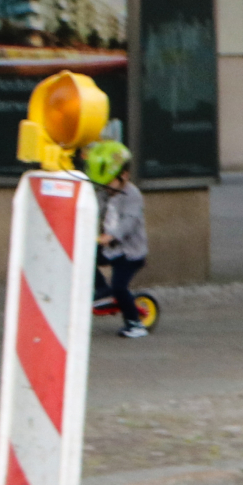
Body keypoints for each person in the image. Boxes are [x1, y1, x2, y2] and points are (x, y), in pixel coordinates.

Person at [85, 140, 149, 338]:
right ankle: (103, 290)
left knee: (120, 287)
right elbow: (95, 208)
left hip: (130, 254)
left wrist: (111, 235)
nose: (106, 188)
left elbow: (129, 221)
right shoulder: (106, 193)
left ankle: (135, 324)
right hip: (111, 248)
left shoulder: (133, 195)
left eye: (109, 183)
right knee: (86, 257)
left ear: (124, 175)